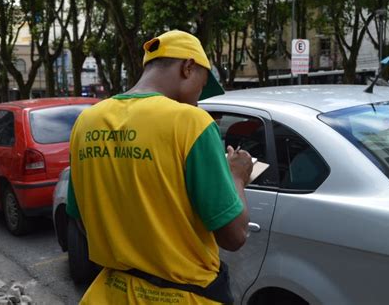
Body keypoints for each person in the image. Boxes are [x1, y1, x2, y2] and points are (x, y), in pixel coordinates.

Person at [66, 30, 253, 304]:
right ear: (188, 67)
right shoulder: (191, 122)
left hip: (111, 291)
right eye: (202, 86)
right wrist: (236, 176)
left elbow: (81, 218)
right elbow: (234, 237)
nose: (199, 99)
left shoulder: (86, 122)